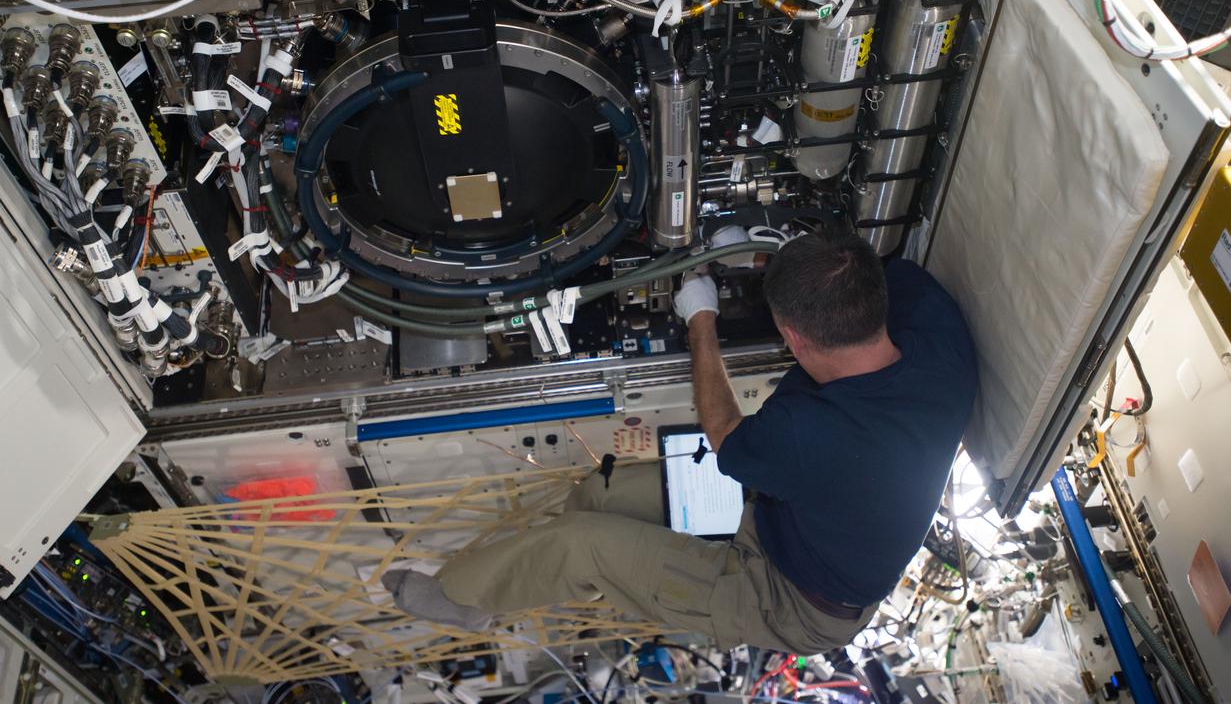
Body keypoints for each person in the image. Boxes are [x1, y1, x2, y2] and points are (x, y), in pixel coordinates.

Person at [384, 228, 977, 654]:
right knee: (600, 493)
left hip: (790, 598)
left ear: (793, 340)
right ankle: (568, 577)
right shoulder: (937, 336)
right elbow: (875, 268)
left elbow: (724, 433)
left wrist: (701, 320)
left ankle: (463, 599)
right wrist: (793, 251)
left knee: (578, 542)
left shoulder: (808, 435)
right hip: (799, 519)